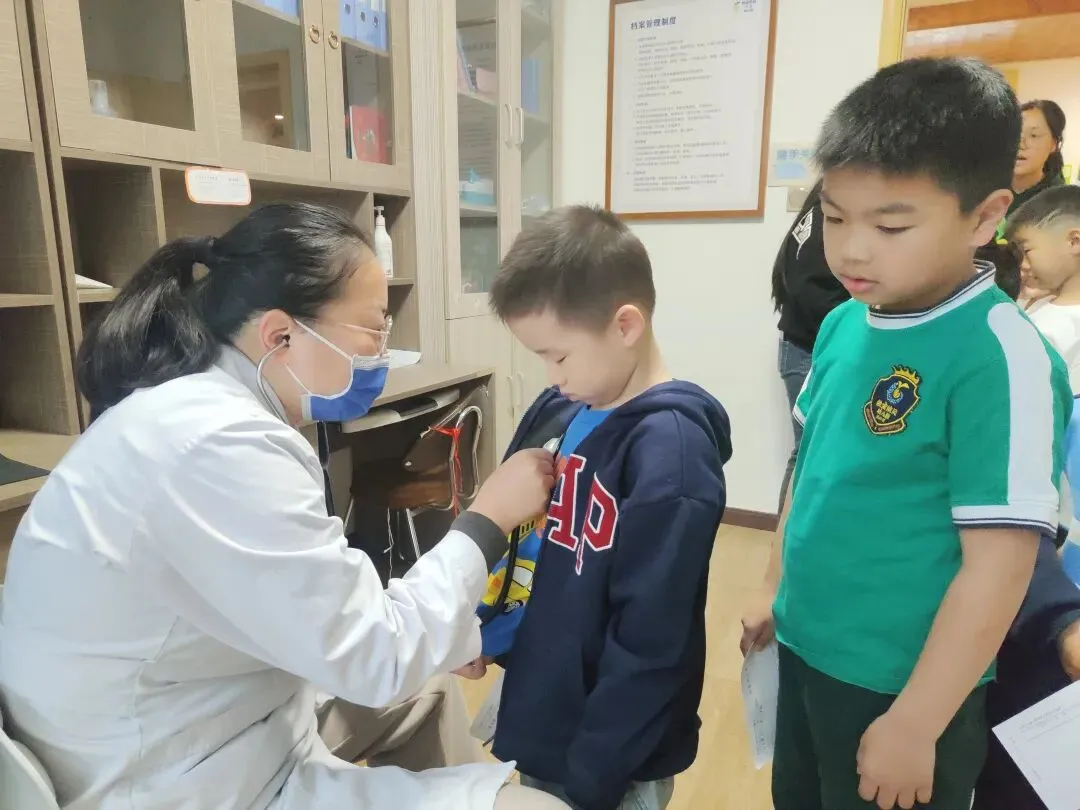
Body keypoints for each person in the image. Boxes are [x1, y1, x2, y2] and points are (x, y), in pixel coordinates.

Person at [0, 202, 570, 810]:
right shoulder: (219, 446)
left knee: (426, 688)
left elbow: (322, 609)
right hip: (167, 780)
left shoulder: (188, 407)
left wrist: (447, 636)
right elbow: (376, 657)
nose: (382, 353)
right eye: (373, 331)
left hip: (190, 716)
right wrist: (486, 519)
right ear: (280, 335)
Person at [740, 57, 1072, 810]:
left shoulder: (1003, 357)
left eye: (890, 225)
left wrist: (918, 723)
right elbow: (809, 468)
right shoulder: (842, 323)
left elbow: (1000, 569)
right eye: (834, 217)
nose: (852, 249)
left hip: (905, 684)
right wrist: (771, 586)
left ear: (985, 217)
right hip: (806, 645)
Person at [458, 205, 732, 810]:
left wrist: (596, 772)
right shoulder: (565, 410)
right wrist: (479, 628)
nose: (550, 375)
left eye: (558, 356)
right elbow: (532, 551)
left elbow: (652, 639)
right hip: (549, 705)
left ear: (625, 325)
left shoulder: (672, 456)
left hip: (611, 752)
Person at [770, 179, 848, 508]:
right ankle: (788, 536)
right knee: (809, 453)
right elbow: (810, 292)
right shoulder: (825, 215)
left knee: (809, 451)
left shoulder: (819, 209)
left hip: (805, 346)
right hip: (811, 349)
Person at [1006, 185, 1080, 392]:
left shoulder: (1068, 328)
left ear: (1074, 242)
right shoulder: (1039, 302)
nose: (1022, 265)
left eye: (1026, 250)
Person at [1008, 100, 1067, 220]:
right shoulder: (987, 184)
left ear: (1053, 145)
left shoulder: (1060, 205)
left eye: (1033, 135)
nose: (1020, 144)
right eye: (1016, 133)